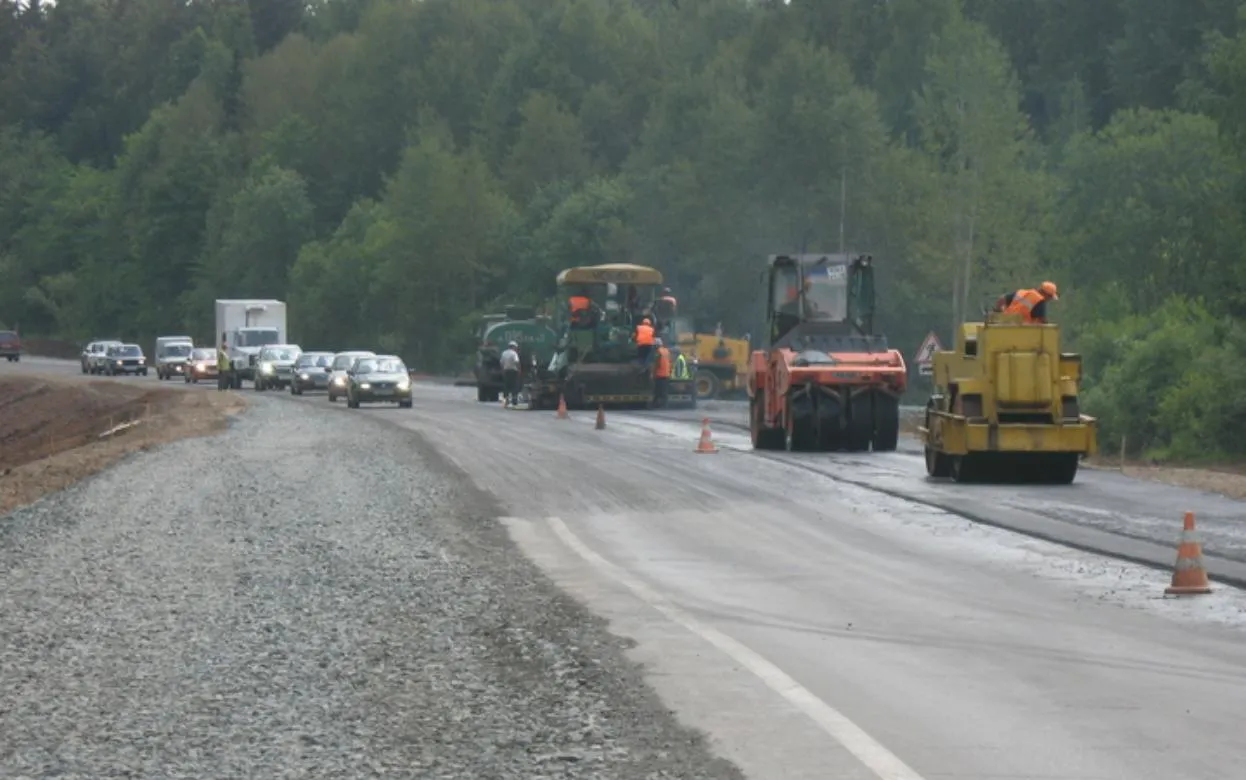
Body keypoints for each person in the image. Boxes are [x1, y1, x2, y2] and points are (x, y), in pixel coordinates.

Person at [995, 281, 1059, 324]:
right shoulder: (1040, 300)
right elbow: (1041, 321)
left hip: (1005, 324)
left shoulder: (1021, 292)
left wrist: (999, 312)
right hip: (1023, 330)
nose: (1049, 300)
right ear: (1045, 294)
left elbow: (1001, 299)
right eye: (1050, 297)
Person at [499, 340, 521, 407]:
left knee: (506, 386)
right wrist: (519, 370)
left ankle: (506, 400)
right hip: (513, 371)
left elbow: (501, 363)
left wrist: (502, 370)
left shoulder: (504, 353)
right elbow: (516, 362)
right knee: (515, 385)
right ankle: (514, 400)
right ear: (514, 347)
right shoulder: (514, 353)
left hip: (506, 371)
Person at [653, 338, 672, 408]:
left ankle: (656, 405)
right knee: (664, 391)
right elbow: (670, 361)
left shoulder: (658, 352)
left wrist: (653, 373)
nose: (654, 346)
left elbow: (657, 363)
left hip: (660, 374)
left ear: (657, 345)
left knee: (657, 391)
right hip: (666, 374)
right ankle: (665, 405)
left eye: (655, 345)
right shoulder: (666, 351)